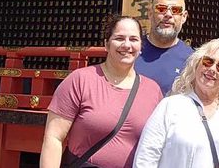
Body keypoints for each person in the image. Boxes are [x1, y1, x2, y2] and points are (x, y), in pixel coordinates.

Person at [40, 15, 162, 168]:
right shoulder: (80, 80)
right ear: (106, 44)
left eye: (134, 39)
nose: (127, 45)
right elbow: (54, 137)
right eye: (119, 38)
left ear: (141, 46)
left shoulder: (152, 90)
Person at [133, 38, 219, 168]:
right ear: (196, 65)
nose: (212, 69)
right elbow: (146, 157)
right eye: (207, 61)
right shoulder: (170, 106)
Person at [135, 0, 193, 95]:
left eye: (175, 10)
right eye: (161, 9)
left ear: (184, 17)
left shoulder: (191, 59)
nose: (168, 15)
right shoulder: (133, 49)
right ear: (150, 14)